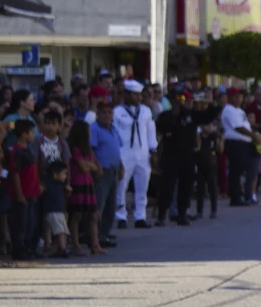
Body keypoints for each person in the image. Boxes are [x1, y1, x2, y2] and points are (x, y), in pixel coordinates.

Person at [156, 90, 210, 225]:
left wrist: (209, 104)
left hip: (187, 155)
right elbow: (160, 131)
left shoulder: (190, 115)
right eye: (177, 99)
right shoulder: (165, 116)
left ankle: (181, 214)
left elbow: (207, 117)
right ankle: (162, 215)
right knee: (166, 187)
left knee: (185, 187)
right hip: (170, 155)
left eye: (182, 99)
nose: (180, 102)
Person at [114, 79, 157, 228]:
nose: (138, 98)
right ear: (126, 94)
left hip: (142, 153)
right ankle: (121, 216)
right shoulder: (117, 112)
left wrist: (153, 150)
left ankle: (140, 216)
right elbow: (115, 134)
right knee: (121, 186)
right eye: (135, 95)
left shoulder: (145, 111)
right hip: (124, 152)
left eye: (139, 95)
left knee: (142, 186)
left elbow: (150, 132)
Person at [66, 120, 103, 255]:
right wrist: (90, 165)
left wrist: (90, 165)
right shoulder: (75, 149)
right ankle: (75, 245)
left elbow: (95, 167)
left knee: (94, 214)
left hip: (88, 183)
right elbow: (83, 167)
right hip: (78, 182)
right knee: (76, 215)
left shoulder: (88, 149)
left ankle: (95, 244)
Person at [89, 101, 122, 249]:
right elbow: (90, 149)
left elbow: (116, 149)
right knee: (99, 204)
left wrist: (121, 165)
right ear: (98, 114)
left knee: (111, 204)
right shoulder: (94, 128)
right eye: (104, 112)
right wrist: (97, 165)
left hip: (113, 169)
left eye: (110, 112)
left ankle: (105, 234)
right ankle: (95, 236)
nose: (107, 115)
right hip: (102, 171)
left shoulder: (113, 129)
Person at [8, 119, 40, 259]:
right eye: (31, 132)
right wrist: (19, 194)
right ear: (23, 134)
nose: (33, 135)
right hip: (23, 193)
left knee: (30, 223)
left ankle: (28, 247)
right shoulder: (16, 151)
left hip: (32, 192)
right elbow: (15, 173)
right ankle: (19, 249)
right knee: (21, 223)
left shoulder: (28, 149)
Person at [221, 88, 254, 207]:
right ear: (230, 97)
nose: (239, 98)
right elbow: (238, 127)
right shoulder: (229, 109)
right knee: (236, 171)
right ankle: (235, 197)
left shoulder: (240, 110)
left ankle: (238, 194)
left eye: (240, 96)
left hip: (244, 143)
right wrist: (253, 135)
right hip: (235, 142)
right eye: (236, 96)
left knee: (240, 170)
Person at [194, 95, 222, 220]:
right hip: (200, 162)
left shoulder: (214, 136)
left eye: (209, 126)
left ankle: (214, 209)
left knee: (212, 186)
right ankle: (199, 210)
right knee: (200, 187)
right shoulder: (200, 136)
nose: (207, 128)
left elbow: (220, 149)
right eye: (205, 126)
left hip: (211, 162)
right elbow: (197, 148)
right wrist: (199, 137)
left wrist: (219, 139)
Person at [41, 160, 71, 258]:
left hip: (59, 210)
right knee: (59, 230)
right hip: (52, 209)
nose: (65, 176)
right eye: (64, 174)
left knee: (58, 228)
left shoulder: (60, 185)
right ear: (55, 174)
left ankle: (51, 247)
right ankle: (62, 248)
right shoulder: (48, 182)